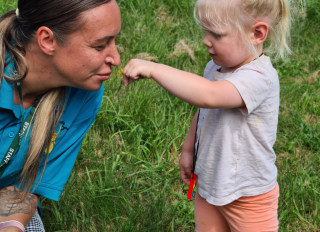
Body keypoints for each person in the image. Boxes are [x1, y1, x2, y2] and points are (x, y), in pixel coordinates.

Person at [122, 0, 291, 231]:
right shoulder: (215, 67)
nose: (205, 40)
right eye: (204, 30)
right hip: (210, 184)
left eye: (216, 34)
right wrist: (188, 149)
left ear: (257, 33)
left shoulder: (260, 78)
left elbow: (209, 96)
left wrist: (155, 69)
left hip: (249, 196)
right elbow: (205, 111)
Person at [0, 0, 121, 231]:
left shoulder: (85, 92)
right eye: (99, 46)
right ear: (47, 40)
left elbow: (23, 189)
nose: (116, 59)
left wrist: (11, 227)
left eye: (114, 42)